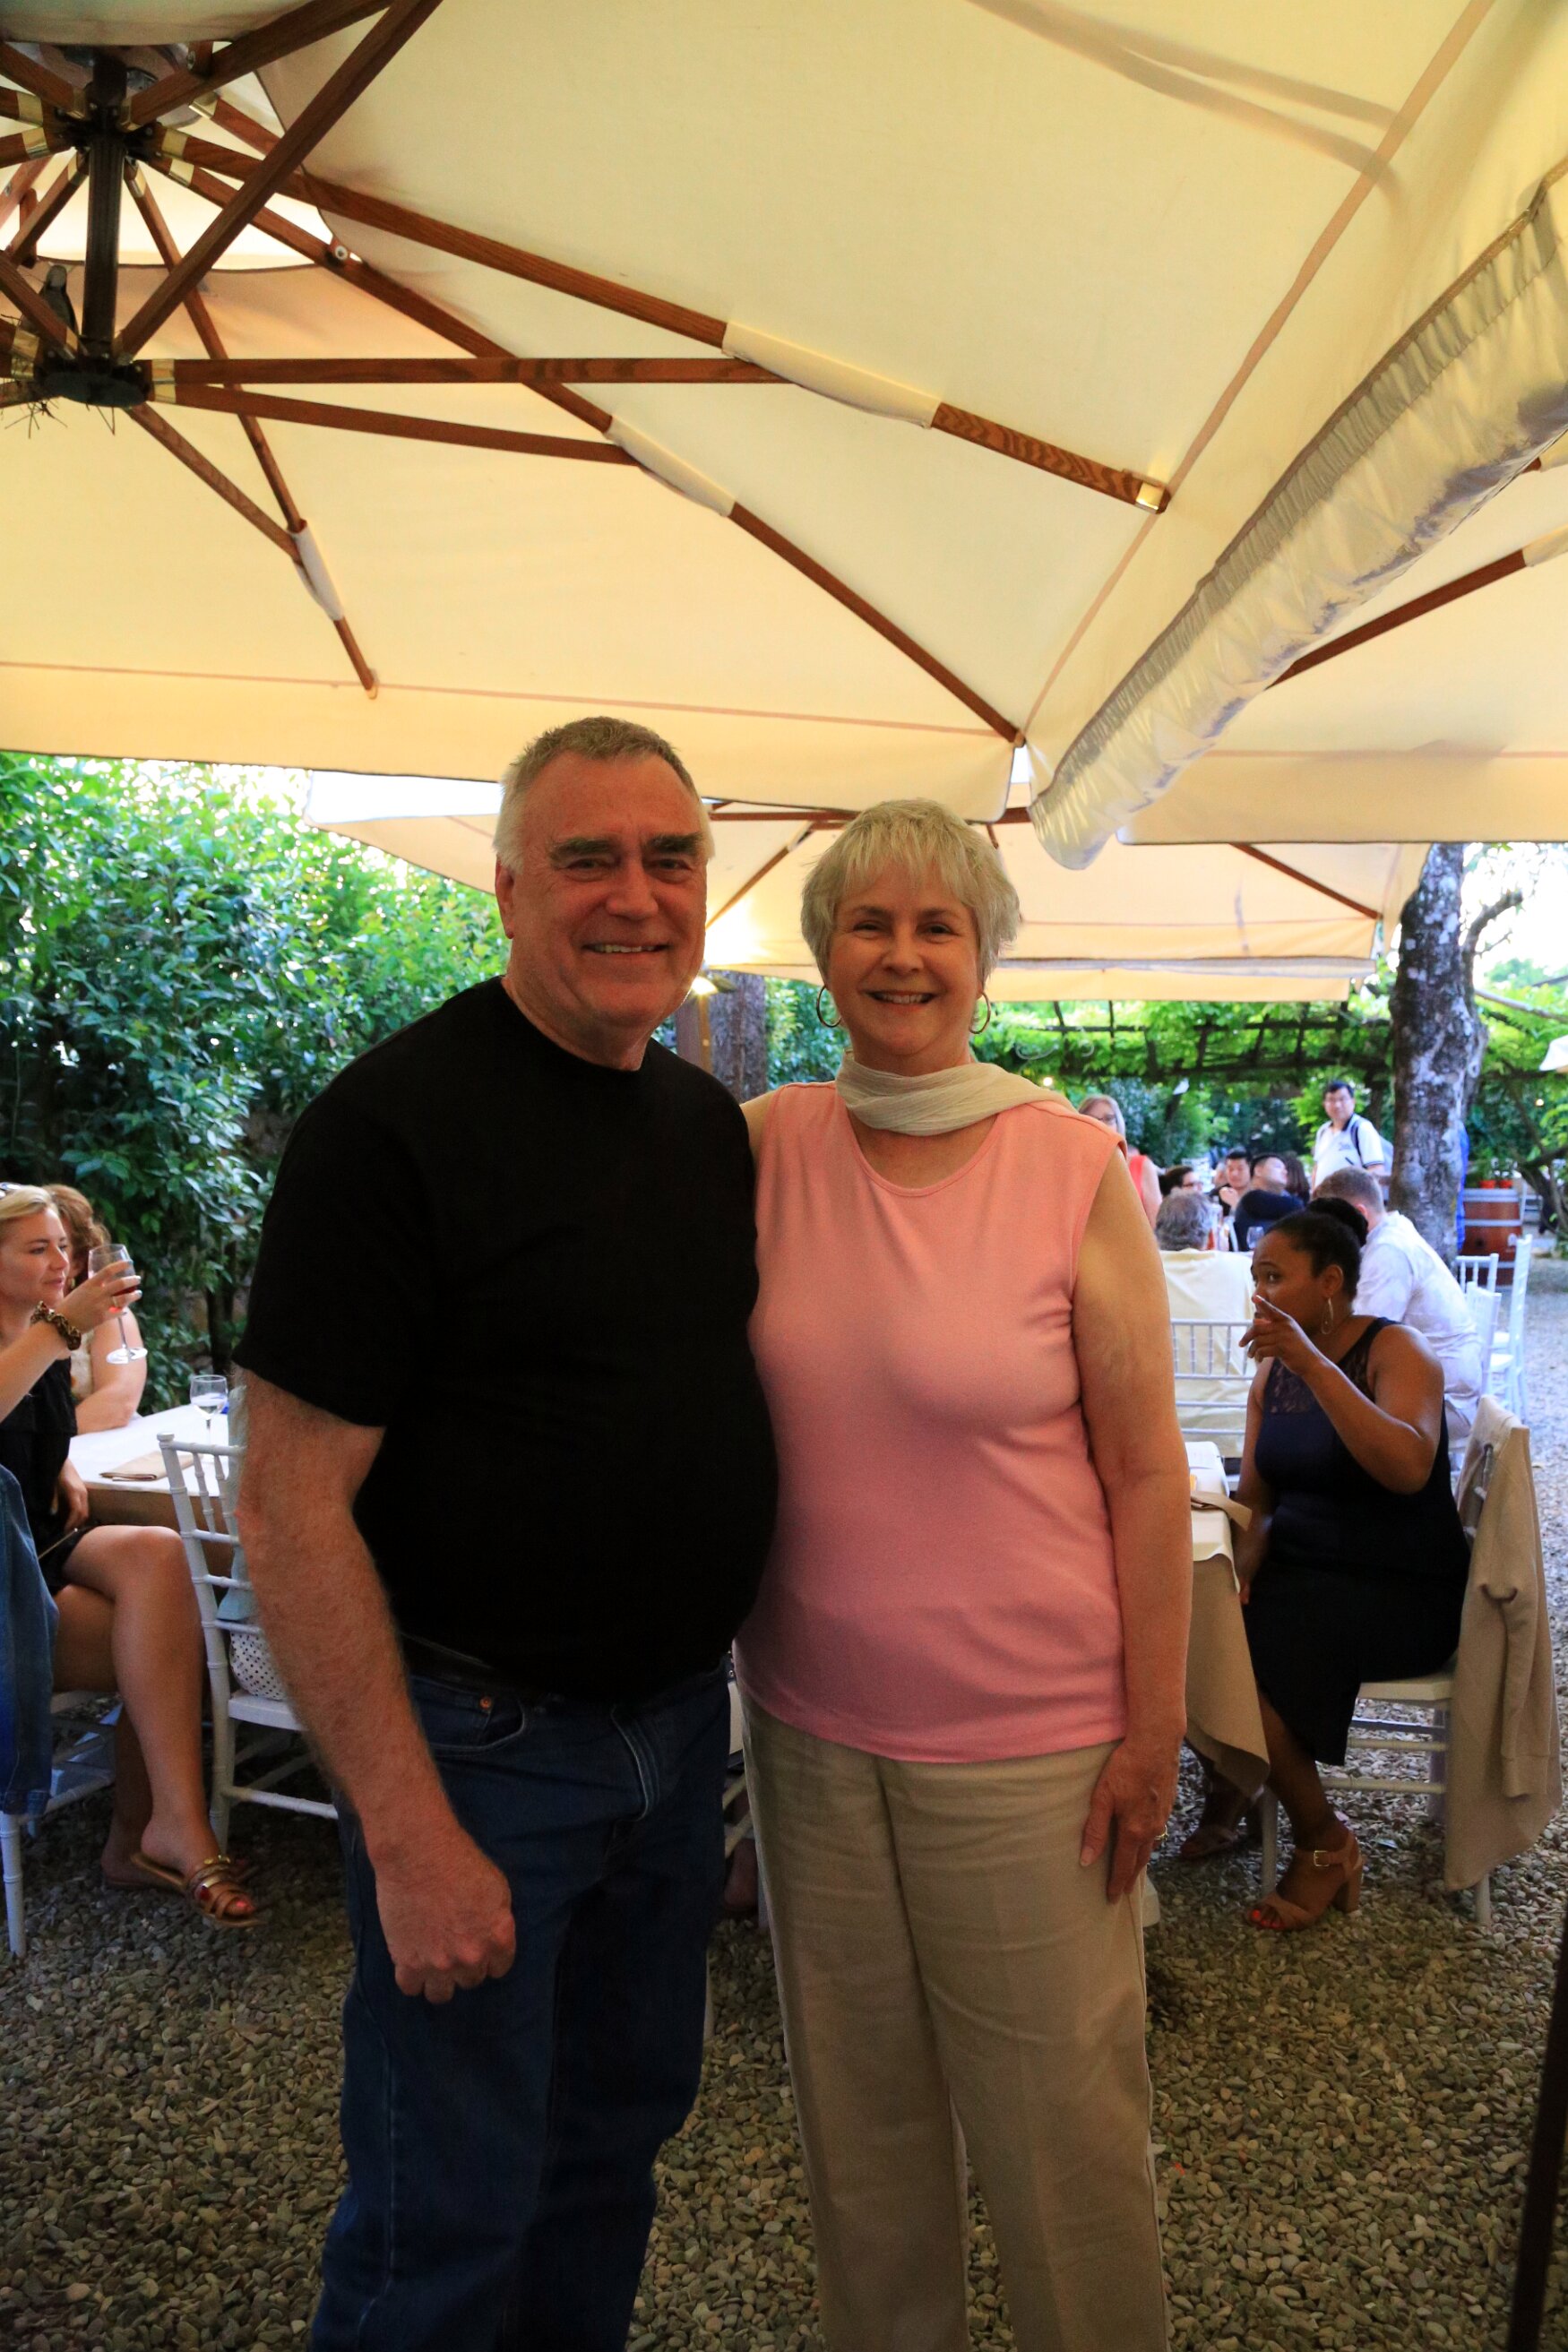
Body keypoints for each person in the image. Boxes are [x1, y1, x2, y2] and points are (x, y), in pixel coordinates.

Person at [234, 715, 778, 2352]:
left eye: (669, 858)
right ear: (509, 890)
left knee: (608, 2162)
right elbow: (289, 1503)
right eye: (587, 859)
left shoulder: (704, 1128)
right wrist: (406, 1834)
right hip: (480, 1750)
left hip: (673, 1740)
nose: (635, 895)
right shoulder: (391, 1127)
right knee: (445, 2217)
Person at [734, 799, 1189, 2352]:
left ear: (985, 956)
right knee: (860, 2150)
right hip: (806, 1731)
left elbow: (1148, 1473)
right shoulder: (765, 1145)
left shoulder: (1068, 1165)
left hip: (1031, 1750)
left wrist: (1153, 1732)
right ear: (825, 954)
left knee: (1063, 2150)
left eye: (938, 925)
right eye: (869, 922)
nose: (903, 954)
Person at [0, 1185, 258, 1925]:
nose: (61, 1261)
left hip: (42, 1541)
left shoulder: (38, 1328)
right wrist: (63, 1327)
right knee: (171, 1636)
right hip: (6, 1581)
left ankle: (161, 1825)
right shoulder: (48, 1331)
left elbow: (46, 1414)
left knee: (163, 1555)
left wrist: (57, 1462)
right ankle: (150, 1831)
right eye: (38, 1248)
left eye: (63, 1245)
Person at [1228, 1200, 1469, 1929]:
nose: (1260, 1292)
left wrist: (1312, 1363)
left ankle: (1324, 1843)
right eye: (1255, 1276)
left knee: (1246, 1660)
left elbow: (1407, 1465)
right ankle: (1235, 1799)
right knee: (1204, 1629)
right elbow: (1259, 1500)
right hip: (1306, 1574)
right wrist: (1240, 1568)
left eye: (1275, 1276)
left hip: (1399, 1586)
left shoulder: (1398, 1351)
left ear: (1330, 1281)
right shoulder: (1272, 1376)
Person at [1315, 1167, 1483, 1442]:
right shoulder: (1390, 1233)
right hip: (1426, 1388)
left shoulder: (1388, 1251)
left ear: (1359, 1213)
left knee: (1319, 1424)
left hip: (1445, 1404)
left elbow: (1362, 1340)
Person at [47, 1184, 147, 1431]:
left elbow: (119, 1401)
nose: (51, 1259)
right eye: (36, 1248)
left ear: (78, 1263)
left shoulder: (106, 1315)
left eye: (61, 1247)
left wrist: (49, 1444)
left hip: (103, 1443)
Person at [1155, 1188, 1255, 1323]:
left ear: (1157, 1234)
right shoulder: (1243, 1268)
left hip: (1158, 1338)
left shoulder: (1142, 1272)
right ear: (1211, 1238)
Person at [1078, 1090, 1161, 1227]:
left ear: (1119, 1124)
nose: (1101, 1125)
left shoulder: (1141, 1166)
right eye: (1092, 1120)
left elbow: (1157, 1225)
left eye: (1109, 1118)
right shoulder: (1073, 1169)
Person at [1312, 1078, 1386, 1188]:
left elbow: (1376, 1169)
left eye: (1342, 1099)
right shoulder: (1323, 1131)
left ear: (1353, 1102)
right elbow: (1317, 1168)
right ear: (1324, 1104)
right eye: (1331, 1100)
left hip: (1352, 1197)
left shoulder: (1362, 1128)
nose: (1337, 1105)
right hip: (1323, 1197)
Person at [1232, 1151, 1306, 1251]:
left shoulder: (1284, 1199)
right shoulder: (1253, 1198)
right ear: (1258, 1171)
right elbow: (1297, 1206)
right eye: (1278, 1167)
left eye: (1285, 1169)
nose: (1285, 1172)